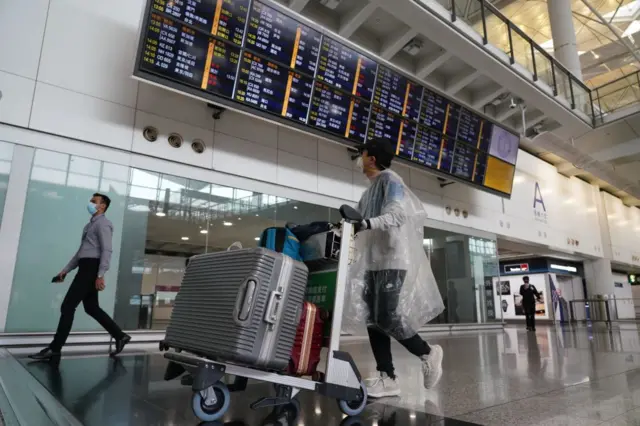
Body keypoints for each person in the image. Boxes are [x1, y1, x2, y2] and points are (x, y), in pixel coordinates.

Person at [349, 140, 445, 398]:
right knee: (373, 320)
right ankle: (387, 377)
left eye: (362, 153)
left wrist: (366, 223)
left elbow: (397, 215)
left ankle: (427, 352)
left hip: (392, 258)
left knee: (387, 317)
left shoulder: (391, 180)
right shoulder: (367, 193)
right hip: (373, 262)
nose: (359, 159)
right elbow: (357, 220)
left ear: (371, 158)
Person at [30, 193, 130, 361]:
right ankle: (120, 336)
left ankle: (55, 348)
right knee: (91, 307)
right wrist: (65, 270)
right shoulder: (88, 226)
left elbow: (107, 250)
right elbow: (81, 253)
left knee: (68, 307)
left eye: (94, 201)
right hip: (85, 267)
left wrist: (100, 274)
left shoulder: (104, 224)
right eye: (91, 201)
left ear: (103, 206)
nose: (90, 203)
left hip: (91, 269)